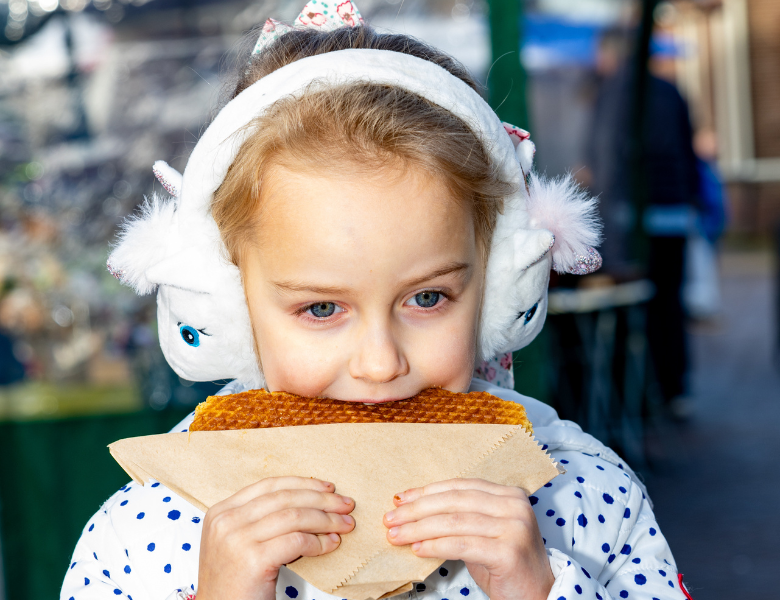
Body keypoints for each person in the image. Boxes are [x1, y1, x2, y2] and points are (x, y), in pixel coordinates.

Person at [61, 3, 693, 599]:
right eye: (320, 309)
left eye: (427, 297)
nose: (380, 363)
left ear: (502, 289)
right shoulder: (144, 537)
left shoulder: (582, 502)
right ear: (225, 309)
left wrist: (541, 587)